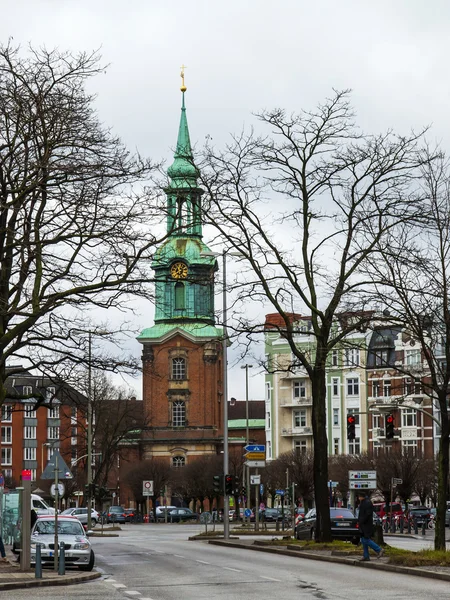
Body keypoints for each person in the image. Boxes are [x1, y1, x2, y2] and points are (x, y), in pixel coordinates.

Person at [357, 492, 384, 561]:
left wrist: (361, 521)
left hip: (366, 524)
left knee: (365, 539)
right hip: (364, 524)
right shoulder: (365, 502)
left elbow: (367, 514)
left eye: (359, 496)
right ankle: (366, 556)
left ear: (361, 496)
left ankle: (379, 549)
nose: (358, 498)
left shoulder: (366, 503)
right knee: (363, 540)